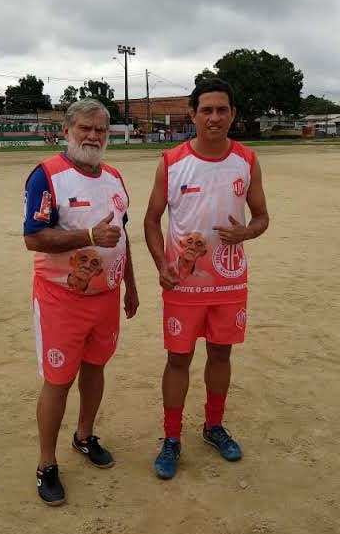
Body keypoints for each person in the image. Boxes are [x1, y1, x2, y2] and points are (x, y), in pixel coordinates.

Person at [144, 78, 269, 480]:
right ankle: (171, 438)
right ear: (193, 115)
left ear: (232, 114)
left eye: (222, 110)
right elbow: (151, 220)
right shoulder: (172, 160)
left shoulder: (247, 160)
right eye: (207, 110)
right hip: (184, 283)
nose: (215, 117)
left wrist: (246, 232)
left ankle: (213, 426)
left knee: (221, 356)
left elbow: (262, 217)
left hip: (230, 282)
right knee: (177, 360)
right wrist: (163, 263)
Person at [23, 98, 139, 505]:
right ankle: (46, 464)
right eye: (85, 129)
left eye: (100, 130)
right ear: (67, 131)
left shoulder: (115, 178)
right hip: (61, 299)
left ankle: (85, 436)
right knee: (58, 381)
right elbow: (33, 238)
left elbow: (123, 237)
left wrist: (131, 285)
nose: (93, 136)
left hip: (106, 297)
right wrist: (89, 237)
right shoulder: (47, 176)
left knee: (95, 368)